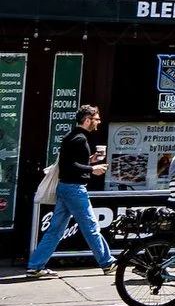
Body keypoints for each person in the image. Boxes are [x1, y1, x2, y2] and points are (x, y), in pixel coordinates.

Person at [24, 104, 114, 279]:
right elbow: (69, 165)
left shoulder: (72, 136)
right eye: (96, 119)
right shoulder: (79, 139)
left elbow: (70, 162)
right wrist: (92, 168)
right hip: (74, 189)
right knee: (91, 227)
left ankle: (35, 266)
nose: (99, 122)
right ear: (87, 120)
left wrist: (91, 160)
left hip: (65, 187)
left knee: (56, 229)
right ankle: (107, 262)